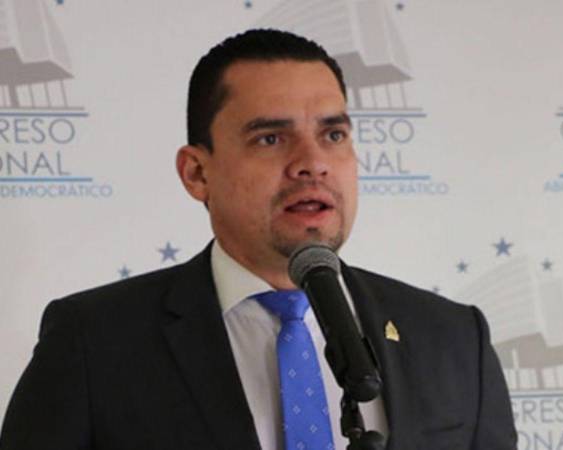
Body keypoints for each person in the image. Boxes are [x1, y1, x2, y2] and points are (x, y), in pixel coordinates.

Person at [0, 29, 517, 450]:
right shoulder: (93, 343)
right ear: (197, 173)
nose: (312, 162)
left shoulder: (454, 339)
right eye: (270, 138)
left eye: (333, 135)